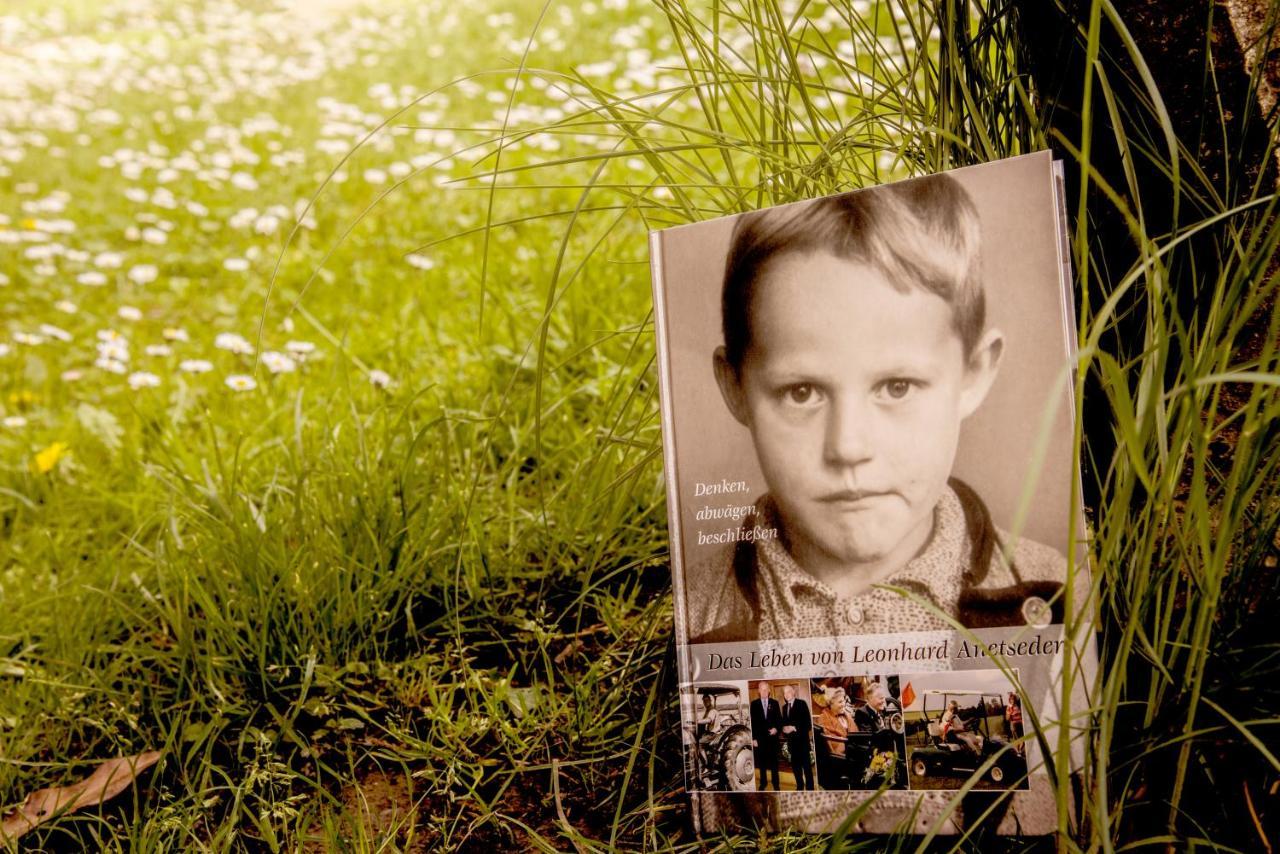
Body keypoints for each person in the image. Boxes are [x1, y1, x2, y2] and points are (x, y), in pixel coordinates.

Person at [686, 173, 1069, 643]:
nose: (848, 447)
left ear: (972, 374)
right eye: (802, 392)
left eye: (897, 386)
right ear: (736, 387)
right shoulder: (685, 620)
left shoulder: (1065, 594)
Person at [780, 684, 813, 790]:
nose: (786, 694)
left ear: (793, 692)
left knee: (807, 768)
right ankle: (799, 786)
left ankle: (810, 788)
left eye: (788, 691)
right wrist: (784, 729)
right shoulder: (784, 708)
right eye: (784, 693)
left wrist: (794, 728)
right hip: (792, 744)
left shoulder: (802, 704)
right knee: (796, 768)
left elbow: (808, 724)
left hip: (803, 743)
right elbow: (784, 725)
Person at [750, 682, 782, 790]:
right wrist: (753, 738)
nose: (763, 691)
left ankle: (776, 784)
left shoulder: (775, 703)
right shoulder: (754, 704)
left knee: (774, 764)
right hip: (760, 740)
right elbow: (752, 723)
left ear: (769, 691)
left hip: (772, 739)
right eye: (761, 689)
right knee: (762, 763)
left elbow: (779, 720)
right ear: (758, 691)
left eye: (765, 689)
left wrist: (776, 729)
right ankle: (763, 783)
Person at [815, 686, 856, 759]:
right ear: (831, 704)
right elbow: (831, 743)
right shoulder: (824, 718)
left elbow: (857, 734)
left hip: (853, 752)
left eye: (844, 701)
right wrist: (849, 744)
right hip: (838, 758)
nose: (843, 704)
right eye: (840, 702)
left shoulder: (848, 716)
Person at [1005, 691, 1024, 757]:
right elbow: (1007, 718)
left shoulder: (1018, 705)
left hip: (1021, 724)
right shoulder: (1009, 707)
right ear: (1009, 700)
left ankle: (1019, 752)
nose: (1012, 700)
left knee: (1022, 739)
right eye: (1011, 699)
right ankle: (1018, 753)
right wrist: (1010, 712)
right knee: (1017, 740)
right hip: (1014, 724)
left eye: (1013, 699)